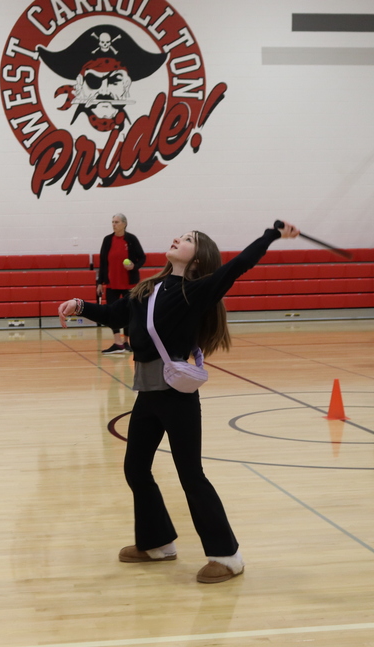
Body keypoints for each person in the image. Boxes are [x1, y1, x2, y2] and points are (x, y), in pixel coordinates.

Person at [59, 220, 301, 583]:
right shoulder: (148, 288)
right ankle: (158, 544)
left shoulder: (196, 291)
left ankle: (228, 556)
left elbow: (239, 265)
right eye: (180, 235)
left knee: (191, 476)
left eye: (188, 239)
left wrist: (271, 234)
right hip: (147, 395)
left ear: (199, 258)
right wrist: (79, 305)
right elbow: (114, 315)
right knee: (135, 469)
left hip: (176, 398)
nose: (178, 238)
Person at [96, 213, 146, 354]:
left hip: (129, 284)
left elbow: (142, 258)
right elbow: (103, 262)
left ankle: (127, 342)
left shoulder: (131, 239)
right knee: (112, 312)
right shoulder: (107, 240)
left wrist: (134, 266)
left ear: (124, 223)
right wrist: (100, 282)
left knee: (130, 313)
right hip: (112, 284)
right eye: (112, 222)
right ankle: (117, 342)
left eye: (116, 222)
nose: (114, 224)